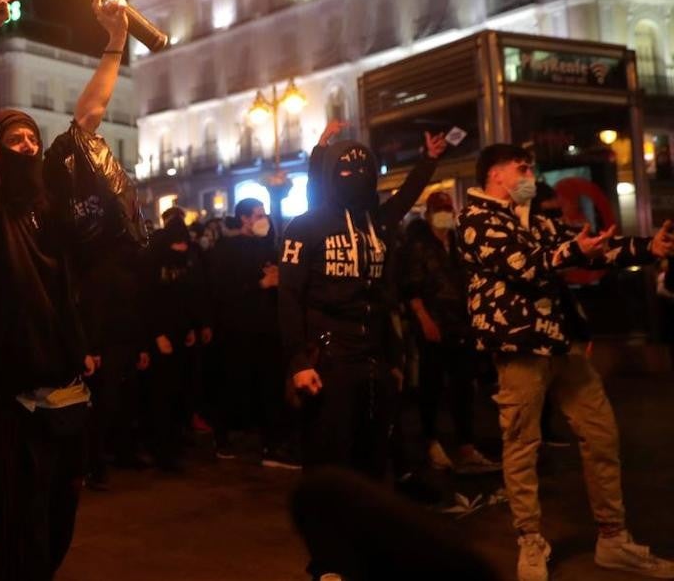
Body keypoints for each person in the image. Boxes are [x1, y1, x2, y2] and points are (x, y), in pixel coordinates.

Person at [0, 0, 118, 580]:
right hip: (15, 403)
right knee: (19, 538)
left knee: (58, 530)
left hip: (68, 396)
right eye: (11, 139)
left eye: (30, 139)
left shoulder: (54, 199)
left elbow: (89, 117)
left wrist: (116, 42)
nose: (24, 144)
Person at [458, 144, 674, 581]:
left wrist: (645, 247)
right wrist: (573, 251)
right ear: (495, 175)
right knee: (521, 446)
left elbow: (588, 249)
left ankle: (613, 538)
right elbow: (526, 266)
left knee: (601, 435)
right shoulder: (476, 221)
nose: (529, 174)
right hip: (520, 347)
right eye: (522, 167)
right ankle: (530, 540)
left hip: (563, 343)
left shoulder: (534, 220)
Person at [280, 132, 445, 578]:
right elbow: (289, 301)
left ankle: (365, 554)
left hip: (373, 360)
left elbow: (407, 194)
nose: (356, 176)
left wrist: (428, 160)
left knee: (372, 464)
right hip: (329, 362)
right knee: (328, 466)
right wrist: (299, 363)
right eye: (344, 170)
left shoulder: (378, 220)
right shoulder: (305, 228)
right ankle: (327, 564)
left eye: (364, 169)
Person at [399, 191, 499, 475]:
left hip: (461, 324)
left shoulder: (459, 243)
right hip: (433, 323)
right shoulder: (419, 245)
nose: (445, 213)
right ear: (429, 213)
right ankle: (431, 442)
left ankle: (466, 446)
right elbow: (411, 287)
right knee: (431, 385)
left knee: (463, 387)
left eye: (448, 207)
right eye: (439, 208)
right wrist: (424, 318)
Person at [208, 198, 290, 465]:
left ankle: (272, 443)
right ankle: (222, 437)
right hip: (237, 330)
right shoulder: (225, 249)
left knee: (270, 385)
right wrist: (259, 284)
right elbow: (222, 290)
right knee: (232, 384)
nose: (263, 218)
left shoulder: (267, 245)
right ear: (244, 218)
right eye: (258, 214)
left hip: (266, 328)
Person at [137, 215, 207, 472]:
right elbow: (147, 302)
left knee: (178, 391)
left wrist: (190, 327)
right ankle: (162, 450)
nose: (182, 248)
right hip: (160, 337)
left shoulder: (185, 262)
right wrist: (157, 335)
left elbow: (187, 296)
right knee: (160, 395)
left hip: (180, 334)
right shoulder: (153, 264)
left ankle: (175, 442)